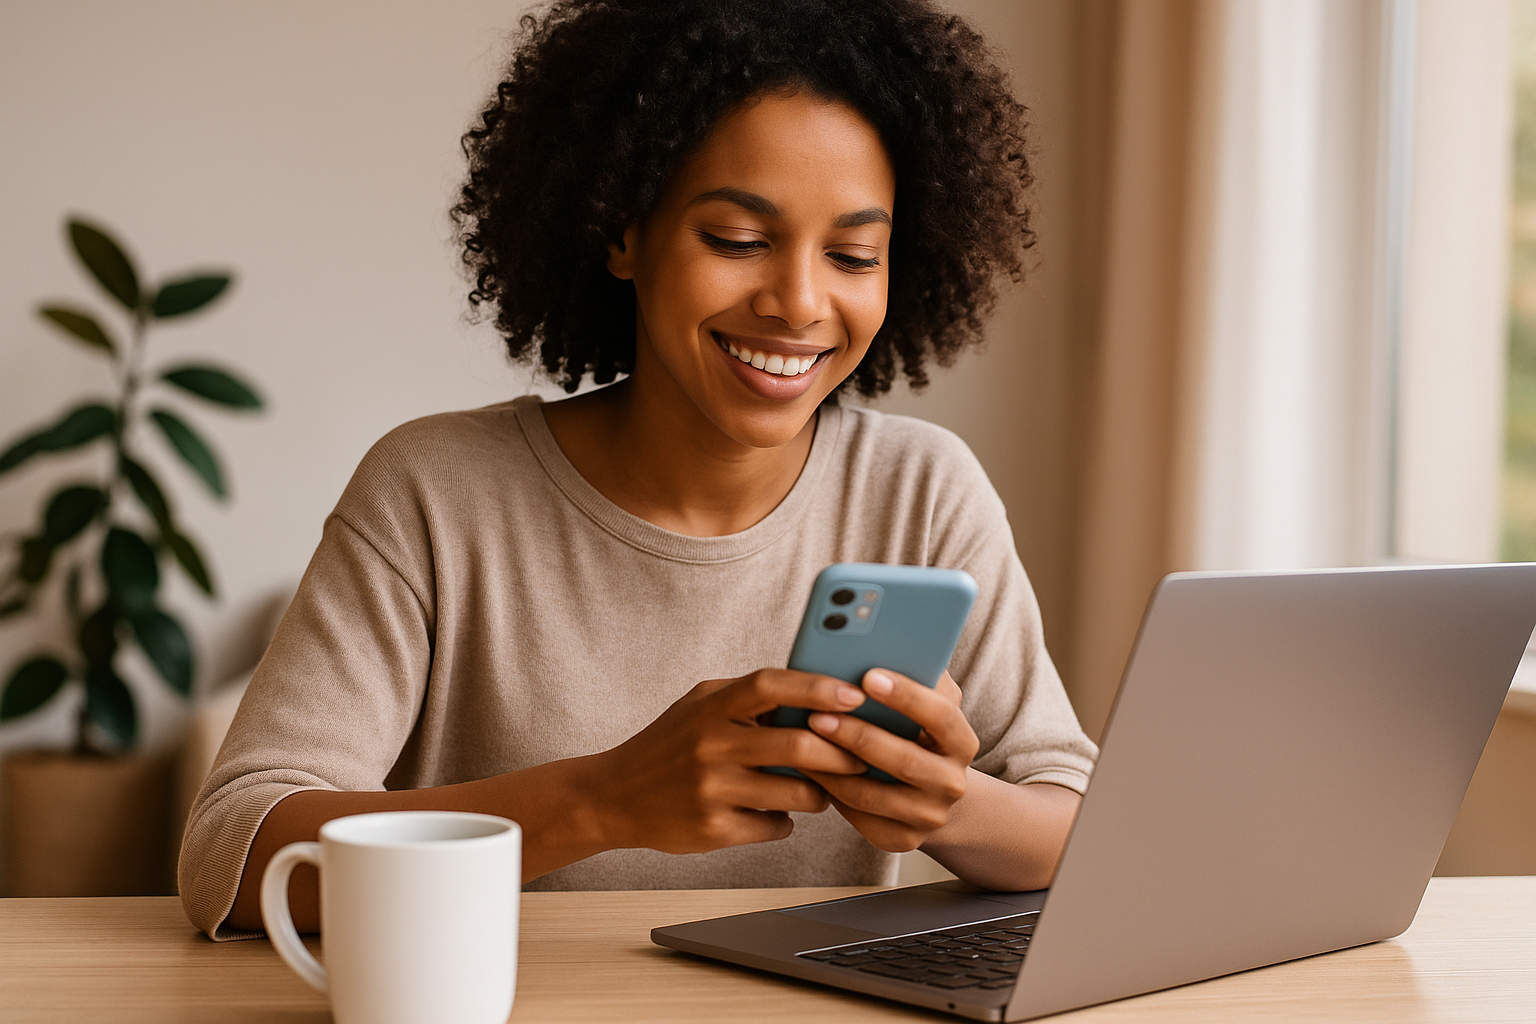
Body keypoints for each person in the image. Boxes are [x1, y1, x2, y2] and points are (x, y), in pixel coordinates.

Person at [179, 0, 1098, 940]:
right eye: (738, 240)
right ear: (623, 231)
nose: (799, 302)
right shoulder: (434, 491)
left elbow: (1078, 827)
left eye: (854, 254)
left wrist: (949, 808)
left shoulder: (922, 492)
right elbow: (236, 851)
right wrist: (602, 800)